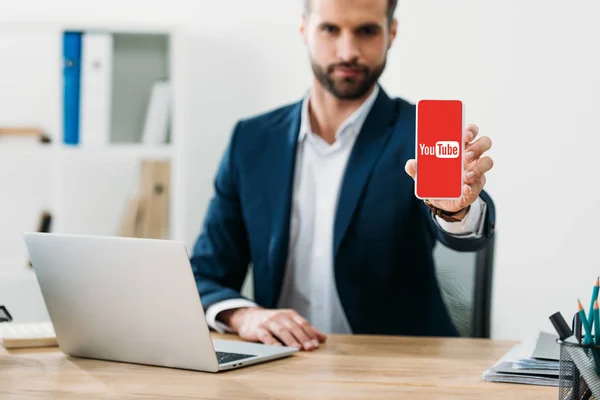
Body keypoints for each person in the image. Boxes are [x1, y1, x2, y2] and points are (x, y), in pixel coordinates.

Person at [189, 0, 495, 352]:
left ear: (391, 33)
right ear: (304, 29)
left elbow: (468, 235)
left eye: (366, 31)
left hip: (400, 371)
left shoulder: (418, 135)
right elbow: (205, 274)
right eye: (330, 29)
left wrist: (457, 211)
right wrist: (244, 316)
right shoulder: (253, 141)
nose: (348, 51)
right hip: (282, 367)